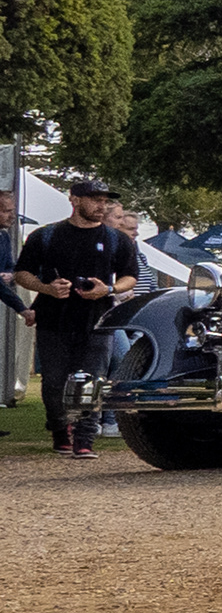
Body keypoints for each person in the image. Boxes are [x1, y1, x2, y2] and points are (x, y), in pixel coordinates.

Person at [14, 178, 140, 459]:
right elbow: (22, 272)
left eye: (104, 200)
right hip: (54, 319)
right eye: (95, 199)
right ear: (74, 200)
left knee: (92, 381)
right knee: (55, 382)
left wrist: (107, 289)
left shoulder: (115, 239)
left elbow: (130, 277)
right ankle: (60, 429)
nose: (101, 205)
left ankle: (85, 438)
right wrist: (47, 288)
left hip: (98, 320)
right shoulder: (46, 236)